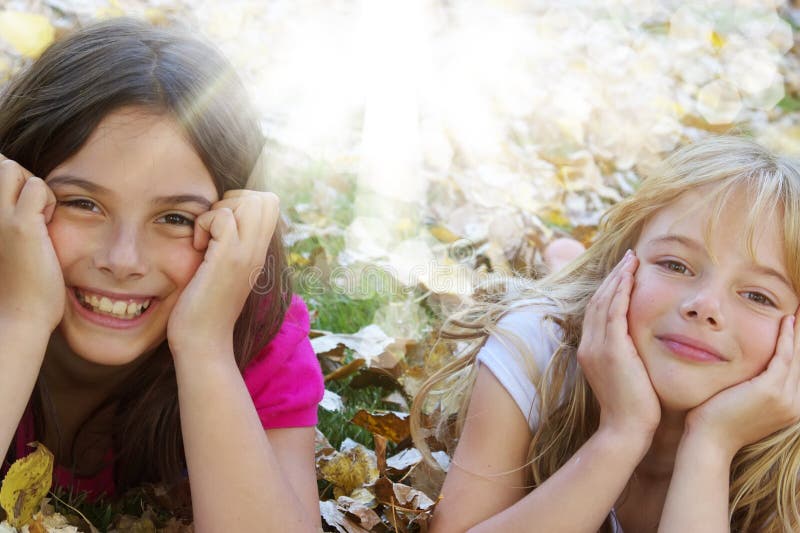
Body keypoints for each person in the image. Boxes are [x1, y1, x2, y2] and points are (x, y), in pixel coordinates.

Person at [0, 18, 323, 532]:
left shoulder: (255, 332)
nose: (123, 259)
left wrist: (205, 347)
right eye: (82, 203)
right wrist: (19, 321)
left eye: (176, 218)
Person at [411, 136, 800, 532]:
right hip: (576, 313)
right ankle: (566, 261)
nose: (705, 305)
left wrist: (711, 446)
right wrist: (622, 433)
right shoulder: (538, 345)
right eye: (675, 265)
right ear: (620, 265)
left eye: (757, 295)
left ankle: (569, 255)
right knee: (555, 297)